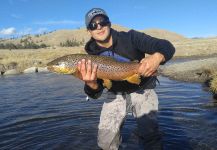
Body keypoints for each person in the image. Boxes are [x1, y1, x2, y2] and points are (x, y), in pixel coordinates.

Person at [77, 8, 175, 150]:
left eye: (102, 22)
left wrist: (157, 57)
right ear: (89, 31)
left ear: (109, 23)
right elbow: (95, 93)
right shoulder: (90, 56)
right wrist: (91, 84)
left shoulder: (131, 37)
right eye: (93, 25)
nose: (99, 27)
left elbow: (167, 46)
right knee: (106, 142)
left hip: (143, 89)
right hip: (114, 94)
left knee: (150, 137)